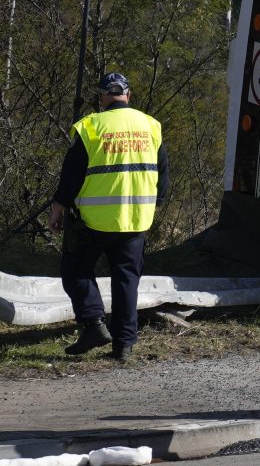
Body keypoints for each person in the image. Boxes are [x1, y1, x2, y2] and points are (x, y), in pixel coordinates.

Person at [47, 72, 169, 361]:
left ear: (102, 97)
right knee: (126, 280)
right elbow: (163, 177)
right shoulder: (150, 126)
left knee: (75, 270)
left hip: (94, 220)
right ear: (128, 95)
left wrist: (58, 208)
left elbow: (71, 175)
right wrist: (155, 204)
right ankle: (124, 345)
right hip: (136, 219)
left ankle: (93, 324)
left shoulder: (90, 126)